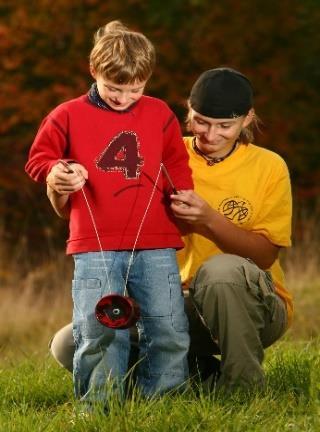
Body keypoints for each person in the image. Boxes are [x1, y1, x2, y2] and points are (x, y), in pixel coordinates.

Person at [48, 67, 293, 393]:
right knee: (67, 342)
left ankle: (243, 389)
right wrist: (57, 185)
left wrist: (208, 220)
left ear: (247, 119)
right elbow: (82, 211)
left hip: (253, 307)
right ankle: (198, 376)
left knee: (221, 272)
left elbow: (265, 256)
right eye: (201, 121)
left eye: (225, 126)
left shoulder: (269, 167)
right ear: (188, 111)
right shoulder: (159, 150)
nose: (210, 135)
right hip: (170, 302)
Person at [25, 20, 193, 407]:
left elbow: (175, 161)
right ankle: (99, 406)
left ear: (147, 80)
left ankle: (163, 402)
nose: (124, 98)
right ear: (93, 72)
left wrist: (182, 193)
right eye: (114, 88)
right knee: (99, 328)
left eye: (135, 89)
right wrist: (58, 170)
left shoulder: (160, 113)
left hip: (156, 242)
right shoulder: (67, 115)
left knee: (167, 324)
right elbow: (39, 158)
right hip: (94, 245)